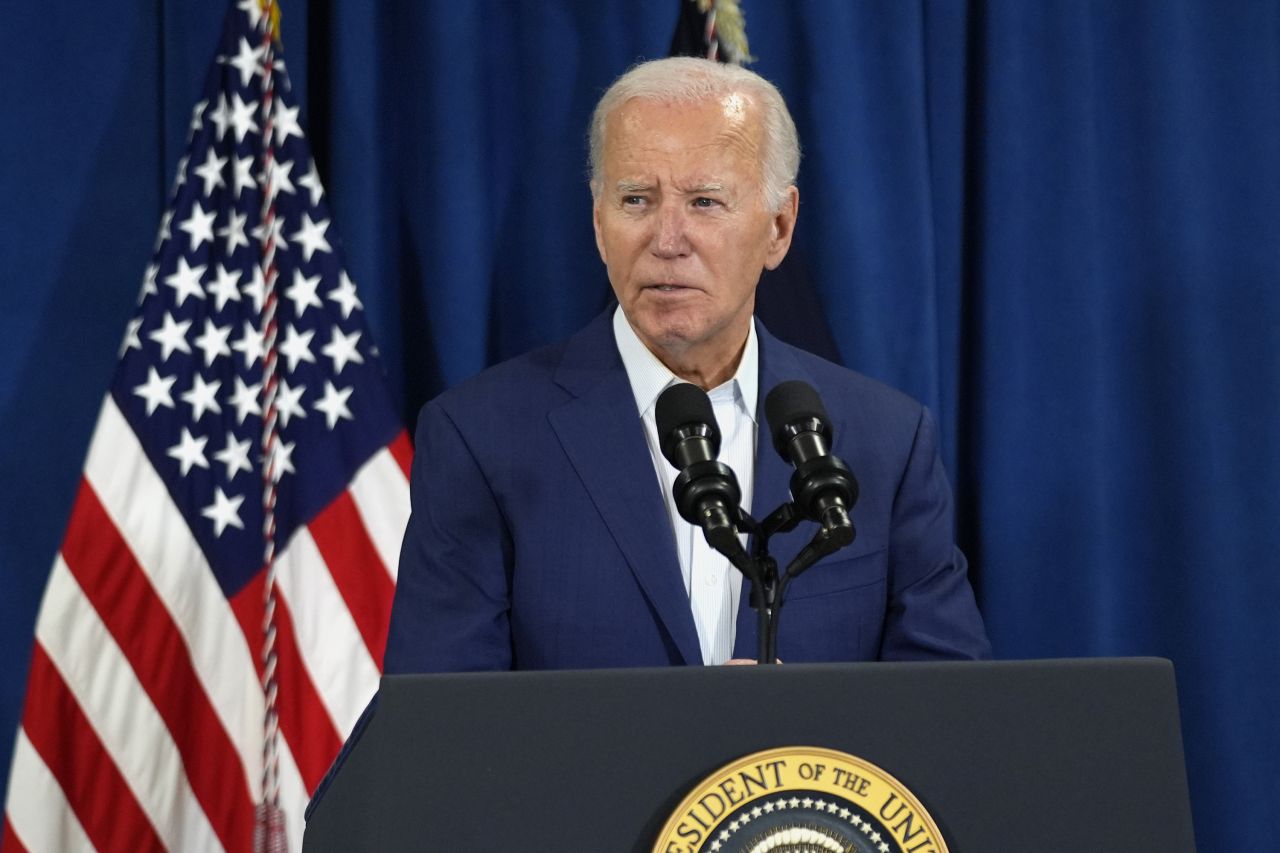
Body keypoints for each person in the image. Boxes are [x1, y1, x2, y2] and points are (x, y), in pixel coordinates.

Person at [383, 57, 990, 672]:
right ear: (599, 224)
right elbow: (447, 731)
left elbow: (945, 718)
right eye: (636, 200)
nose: (667, 238)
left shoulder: (887, 441)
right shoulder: (482, 438)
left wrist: (799, 734)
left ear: (779, 227)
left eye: (705, 201)